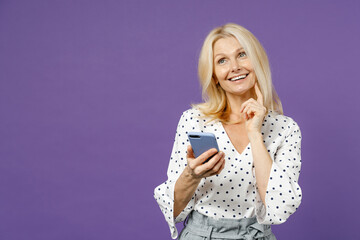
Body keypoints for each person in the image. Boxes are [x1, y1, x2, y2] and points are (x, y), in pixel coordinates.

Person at [153, 23, 302, 240]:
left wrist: (255, 134)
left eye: (242, 54)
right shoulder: (194, 121)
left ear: (257, 61)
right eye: (222, 60)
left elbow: (279, 207)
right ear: (214, 76)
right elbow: (172, 210)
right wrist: (192, 174)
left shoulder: (285, 128)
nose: (234, 67)